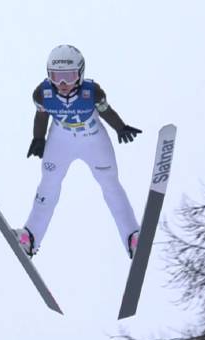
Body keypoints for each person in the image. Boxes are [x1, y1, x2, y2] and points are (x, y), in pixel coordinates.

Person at [14, 44, 143, 259]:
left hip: (93, 138)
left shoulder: (91, 92)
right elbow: (41, 116)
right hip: (60, 139)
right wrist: (38, 138)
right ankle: (30, 237)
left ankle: (132, 236)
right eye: (57, 77)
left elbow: (106, 111)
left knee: (110, 183)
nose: (63, 84)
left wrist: (120, 127)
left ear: (81, 74)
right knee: (48, 183)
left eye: (70, 76)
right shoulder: (42, 93)